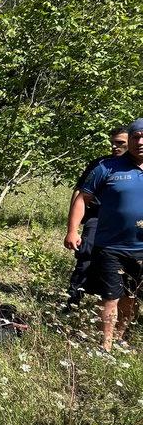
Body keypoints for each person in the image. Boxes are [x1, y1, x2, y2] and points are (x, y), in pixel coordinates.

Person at [65, 120, 143, 352]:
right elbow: (81, 199)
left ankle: (120, 337)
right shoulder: (106, 168)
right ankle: (105, 346)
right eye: (135, 137)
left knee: (132, 297)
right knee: (110, 297)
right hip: (111, 246)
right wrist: (72, 230)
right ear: (128, 140)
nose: (140, 142)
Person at [66, 126, 129, 307]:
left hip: (128, 224)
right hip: (97, 218)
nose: (115, 147)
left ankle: (119, 301)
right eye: (113, 143)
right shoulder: (101, 164)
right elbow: (80, 192)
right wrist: (73, 228)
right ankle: (73, 300)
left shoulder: (136, 167)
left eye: (120, 143)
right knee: (86, 255)